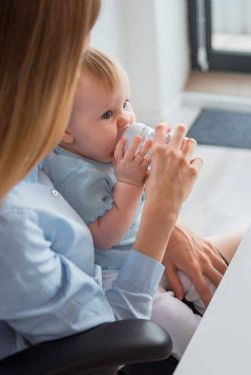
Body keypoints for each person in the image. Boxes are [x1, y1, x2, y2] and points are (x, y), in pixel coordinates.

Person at [0, 1, 239, 375]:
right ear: (29, 68)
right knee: (247, 320)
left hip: (105, 285)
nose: (85, 56)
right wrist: (161, 216)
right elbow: (117, 333)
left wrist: (165, 224)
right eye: (76, 46)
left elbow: (85, 202)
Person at [42, 47, 216, 358]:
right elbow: (105, 237)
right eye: (108, 115)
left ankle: (233, 330)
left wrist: (160, 172)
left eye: (125, 103)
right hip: (117, 274)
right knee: (180, 326)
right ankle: (211, 358)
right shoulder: (72, 173)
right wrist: (132, 184)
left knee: (209, 287)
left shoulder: (104, 149)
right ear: (65, 131)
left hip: (149, 251)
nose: (126, 120)